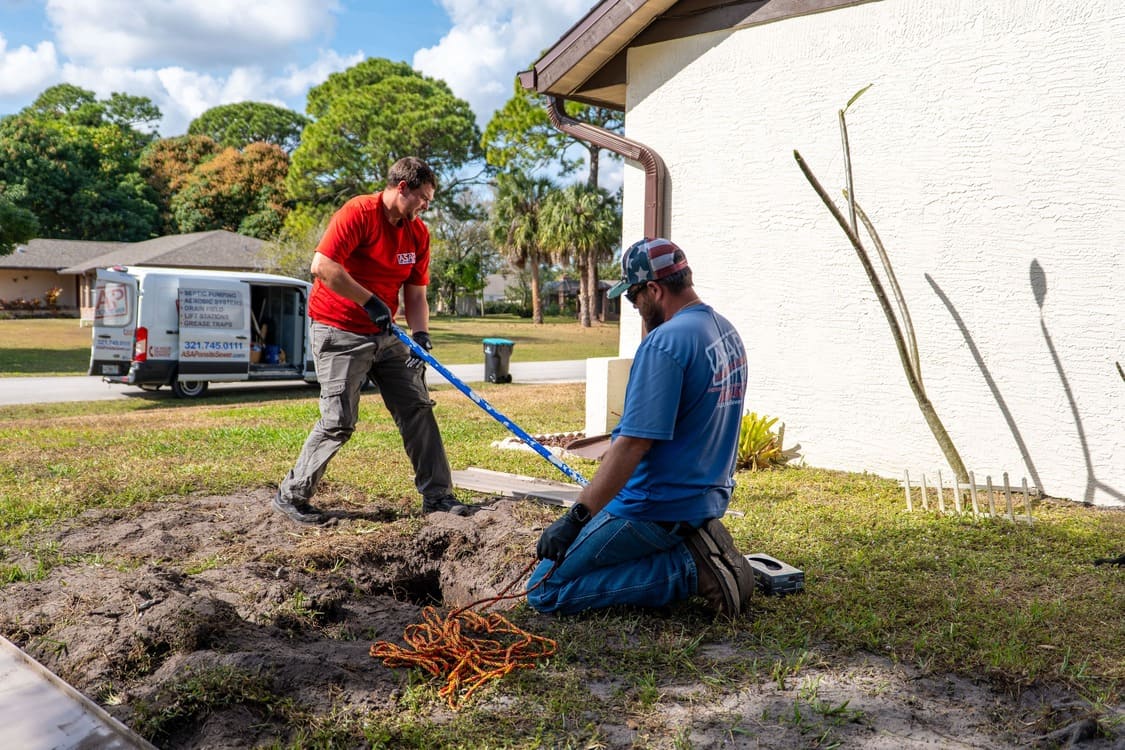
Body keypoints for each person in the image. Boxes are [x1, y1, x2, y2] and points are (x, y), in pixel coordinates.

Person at [527, 237, 755, 617]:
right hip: (703, 501)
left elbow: (633, 446)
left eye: (633, 297)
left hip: (654, 508)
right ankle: (690, 546)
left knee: (544, 589)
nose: (634, 307)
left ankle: (690, 571)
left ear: (654, 288)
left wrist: (574, 520)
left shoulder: (666, 343)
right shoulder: (725, 331)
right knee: (590, 559)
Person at [274, 156, 470, 524]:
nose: (427, 205)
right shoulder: (358, 213)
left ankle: (438, 497)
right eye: (424, 197)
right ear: (402, 188)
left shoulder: (418, 233)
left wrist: (421, 335)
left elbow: (415, 293)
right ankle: (292, 495)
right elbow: (323, 267)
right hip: (339, 328)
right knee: (338, 421)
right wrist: (369, 301)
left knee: (417, 408)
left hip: (387, 333)